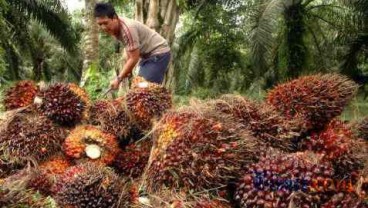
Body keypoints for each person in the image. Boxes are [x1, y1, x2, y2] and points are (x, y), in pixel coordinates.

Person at [94, 2, 171, 90]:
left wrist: (118, 79)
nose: (103, 27)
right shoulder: (116, 28)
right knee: (140, 88)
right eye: (100, 24)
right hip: (147, 56)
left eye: (105, 23)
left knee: (144, 89)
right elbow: (129, 48)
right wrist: (128, 70)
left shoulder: (127, 29)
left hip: (158, 53)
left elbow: (134, 58)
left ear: (114, 17)